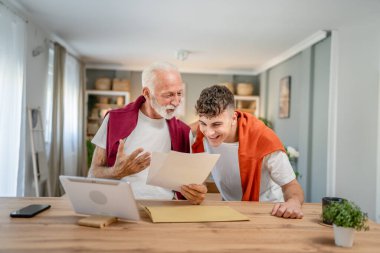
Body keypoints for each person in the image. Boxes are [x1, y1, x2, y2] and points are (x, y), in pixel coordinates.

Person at [89, 62, 206, 204]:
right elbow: (94, 172)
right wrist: (116, 172)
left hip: (166, 209)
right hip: (119, 205)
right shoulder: (114, 119)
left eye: (179, 93)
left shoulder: (183, 132)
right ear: (147, 93)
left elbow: (189, 182)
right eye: (168, 95)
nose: (176, 102)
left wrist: (196, 192)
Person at [192, 85, 304, 218]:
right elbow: (183, 129)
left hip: (268, 211)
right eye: (203, 123)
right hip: (230, 209)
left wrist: (293, 202)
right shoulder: (201, 134)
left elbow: (291, 185)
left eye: (217, 124)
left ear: (233, 118)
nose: (209, 132)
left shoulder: (264, 139)